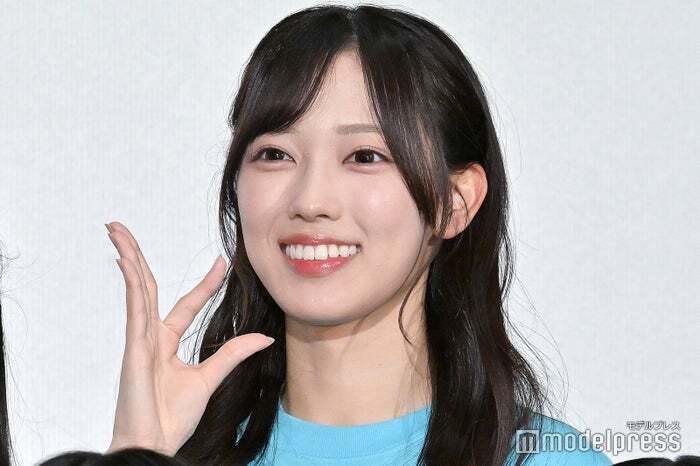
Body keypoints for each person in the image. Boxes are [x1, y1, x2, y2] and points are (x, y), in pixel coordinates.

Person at [101, 4, 614, 465]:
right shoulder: (178, 451)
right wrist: (137, 454)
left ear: (455, 202)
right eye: (275, 154)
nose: (310, 201)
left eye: (365, 156)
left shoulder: (545, 460)